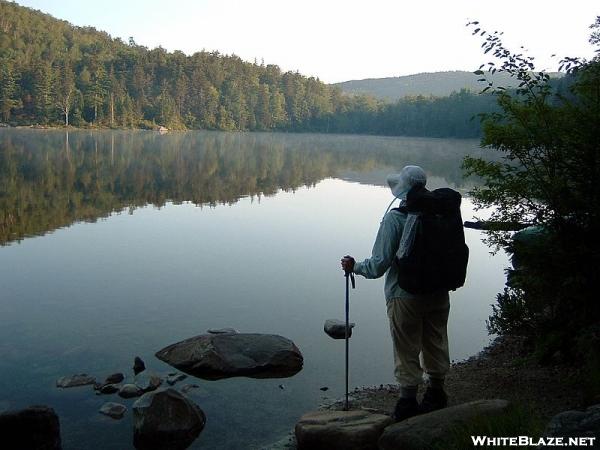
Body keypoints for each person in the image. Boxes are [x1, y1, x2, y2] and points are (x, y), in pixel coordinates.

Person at [341, 165, 450, 422]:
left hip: (404, 295)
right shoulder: (441, 213)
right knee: (435, 340)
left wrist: (354, 267)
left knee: (406, 347)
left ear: (402, 190)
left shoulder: (395, 218)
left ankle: (407, 401)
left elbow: (379, 265)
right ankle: (436, 393)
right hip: (439, 292)